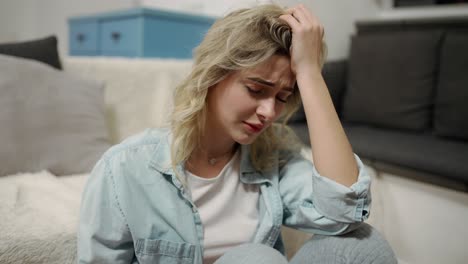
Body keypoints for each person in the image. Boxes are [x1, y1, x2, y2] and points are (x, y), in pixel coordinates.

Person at [77, 4, 397, 264]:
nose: (269, 112)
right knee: (256, 259)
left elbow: (345, 212)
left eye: (282, 98)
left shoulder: (273, 158)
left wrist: (311, 74)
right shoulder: (124, 168)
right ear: (213, 75)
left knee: (362, 244)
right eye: (256, 89)